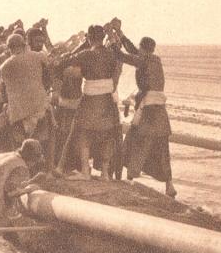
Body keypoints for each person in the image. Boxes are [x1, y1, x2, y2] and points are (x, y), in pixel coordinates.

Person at [113, 31, 176, 198]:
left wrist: (113, 40)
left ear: (143, 49)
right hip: (160, 110)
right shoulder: (155, 60)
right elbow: (133, 52)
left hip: (148, 110)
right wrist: (121, 34)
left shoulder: (142, 60)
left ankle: (130, 178)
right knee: (162, 149)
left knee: (136, 142)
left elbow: (122, 56)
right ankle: (169, 185)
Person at [54, 25, 120, 181]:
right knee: (107, 134)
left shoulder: (86, 54)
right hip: (107, 100)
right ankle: (104, 173)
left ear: (89, 37)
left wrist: (83, 45)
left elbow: (61, 62)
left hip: (90, 100)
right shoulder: (112, 54)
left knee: (82, 132)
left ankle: (84, 171)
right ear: (103, 37)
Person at [0, 34, 54, 167]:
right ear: (24, 45)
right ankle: (48, 168)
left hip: (18, 111)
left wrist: (8, 102)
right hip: (39, 106)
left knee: (20, 144)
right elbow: (48, 75)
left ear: (9, 48)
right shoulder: (39, 56)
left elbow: (2, 90)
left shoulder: (4, 66)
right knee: (46, 139)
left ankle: (22, 168)